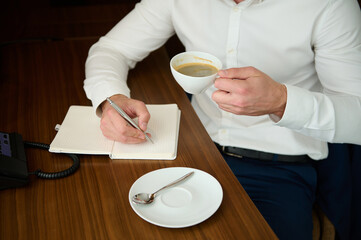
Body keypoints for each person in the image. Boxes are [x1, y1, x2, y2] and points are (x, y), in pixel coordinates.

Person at [83, 0, 361, 239]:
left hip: (278, 169)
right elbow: (111, 50)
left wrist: (281, 100)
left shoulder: (330, 6)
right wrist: (111, 100)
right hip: (190, 149)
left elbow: (357, 115)